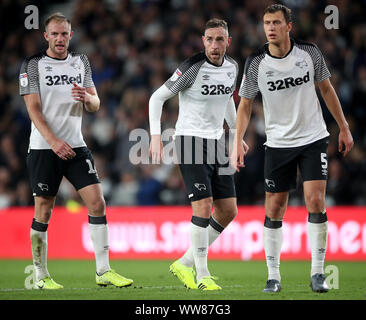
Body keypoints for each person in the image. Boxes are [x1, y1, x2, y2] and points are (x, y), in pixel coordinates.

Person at [231, 4, 354, 293]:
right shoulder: (255, 63)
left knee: (315, 201)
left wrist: (344, 126)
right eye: (266, 23)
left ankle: (318, 273)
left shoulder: (309, 53)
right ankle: (273, 276)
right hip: (278, 143)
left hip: (313, 138)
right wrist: (236, 140)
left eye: (276, 22)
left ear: (289, 26)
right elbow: (245, 104)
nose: (270, 27)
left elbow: (326, 88)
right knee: (275, 207)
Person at [19, 13, 133, 289]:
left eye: (65, 34)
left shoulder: (80, 62)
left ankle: (103, 271)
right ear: (46, 36)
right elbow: (33, 110)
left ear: (71, 35)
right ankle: (40, 275)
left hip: (76, 145)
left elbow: (95, 104)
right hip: (45, 147)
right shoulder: (33, 65)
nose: (60, 39)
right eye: (55, 34)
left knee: (97, 203)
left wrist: (89, 98)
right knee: (43, 210)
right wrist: (54, 141)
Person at [149, 18, 248, 290]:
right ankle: (202, 275)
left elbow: (228, 98)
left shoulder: (232, 67)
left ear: (228, 42)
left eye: (220, 40)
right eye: (209, 40)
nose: (214, 45)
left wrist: (237, 135)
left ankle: (184, 263)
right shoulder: (192, 68)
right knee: (203, 206)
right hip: (190, 141)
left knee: (228, 210)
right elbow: (157, 98)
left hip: (216, 142)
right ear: (203, 41)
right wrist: (156, 137)